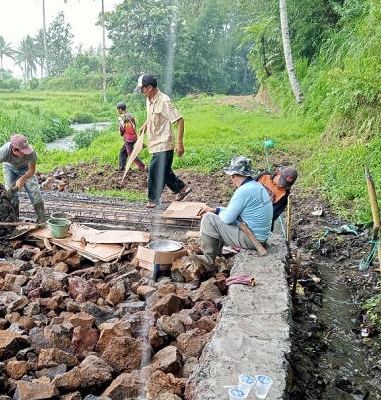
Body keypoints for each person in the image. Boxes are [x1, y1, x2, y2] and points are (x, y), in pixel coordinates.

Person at [194, 156, 273, 267]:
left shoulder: (243, 191)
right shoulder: (256, 186)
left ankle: (208, 259)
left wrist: (213, 213)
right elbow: (234, 212)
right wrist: (216, 210)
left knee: (209, 219)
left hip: (251, 239)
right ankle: (218, 255)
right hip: (260, 238)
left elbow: (227, 218)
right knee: (216, 217)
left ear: (233, 175)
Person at [135, 73, 191, 208]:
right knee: (164, 171)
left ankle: (153, 200)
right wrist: (145, 126)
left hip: (165, 143)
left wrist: (179, 143)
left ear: (149, 87)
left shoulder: (164, 101)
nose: (141, 92)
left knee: (154, 169)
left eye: (141, 89)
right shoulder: (149, 99)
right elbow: (151, 116)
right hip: (155, 143)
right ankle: (181, 188)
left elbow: (180, 120)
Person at [0, 134, 46, 223]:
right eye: (23, 151)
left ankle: (42, 220)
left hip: (25, 169)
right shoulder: (4, 152)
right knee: (10, 194)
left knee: (34, 191)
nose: (26, 153)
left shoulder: (30, 151)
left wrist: (23, 179)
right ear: (14, 150)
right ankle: (15, 220)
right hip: (9, 167)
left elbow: (32, 170)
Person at [116, 102, 146, 172]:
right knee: (123, 151)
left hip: (129, 138)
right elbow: (134, 125)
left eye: (118, 109)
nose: (117, 111)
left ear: (120, 109)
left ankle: (143, 167)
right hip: (134, 136)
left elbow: (122, 128)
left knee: (131, 154)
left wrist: (121, 133)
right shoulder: (130, 115)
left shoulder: (121, 117)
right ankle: (121, 167)